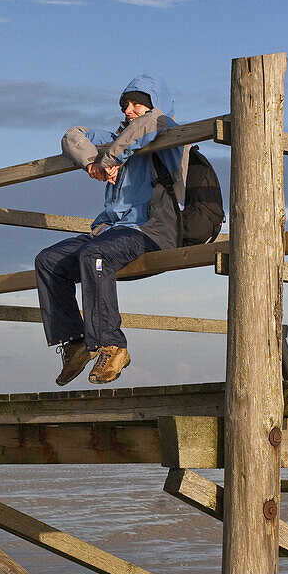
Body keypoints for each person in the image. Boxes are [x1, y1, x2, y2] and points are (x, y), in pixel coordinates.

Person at [35, 74, 187, 386]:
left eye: (137, 103)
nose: (129, 110)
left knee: (95, 254)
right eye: (125, 104)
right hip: (111, 230)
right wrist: (93, 162)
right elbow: (73, 135)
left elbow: (152, 121)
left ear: (154, 104)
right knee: (48, 261)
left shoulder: (168, 128)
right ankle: (75, 343)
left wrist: (110, 157)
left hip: (150, 229)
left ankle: (112, 345)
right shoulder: (115, 137)